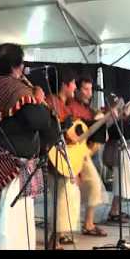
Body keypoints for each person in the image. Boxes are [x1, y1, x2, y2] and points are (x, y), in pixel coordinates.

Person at [0, 43, 57, 250]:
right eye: (21, 64)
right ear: (16, 67)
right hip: (11, 166)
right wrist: (39, 100)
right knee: (12, 221)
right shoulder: (17, 89)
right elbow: (39, 120)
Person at [66, 75, 109, 237]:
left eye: (90, 89)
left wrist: (105, 119)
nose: (89, 92)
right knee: (71, 191)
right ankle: (67, 229)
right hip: (71, 153)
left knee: (94, 185)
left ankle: (88, 224)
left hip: (84, 153)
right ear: (76, 90)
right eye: (85, 89)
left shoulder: (89, 109)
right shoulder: (71, 106)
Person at [44, 68, 82, 249]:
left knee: (67, 195)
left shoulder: (66, 104)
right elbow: (54, 128)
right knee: (60, 197)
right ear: (64, 84)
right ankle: (54, 238)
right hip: (55, 154)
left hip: (65, 153)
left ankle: (59, 235)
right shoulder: (52, 101)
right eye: (73, 83)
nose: (76, 86)